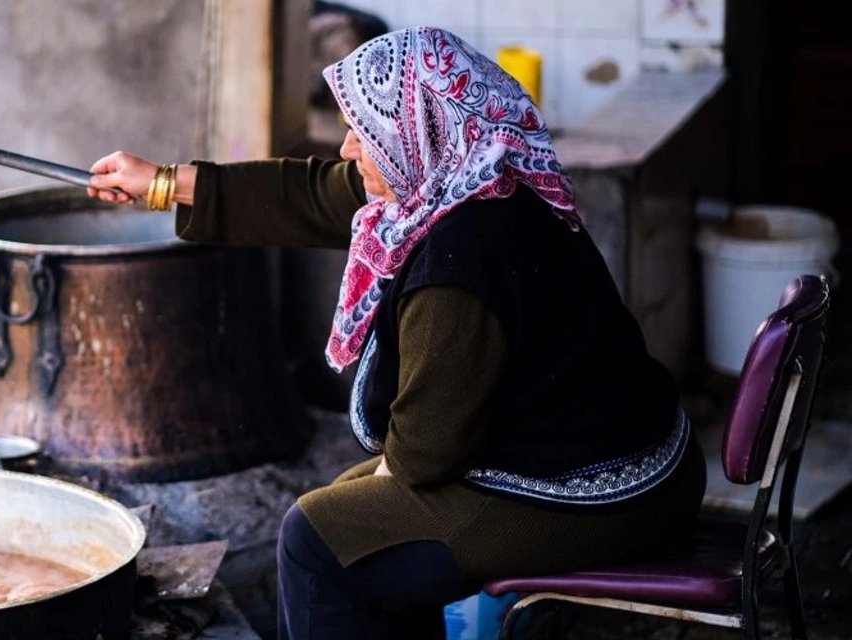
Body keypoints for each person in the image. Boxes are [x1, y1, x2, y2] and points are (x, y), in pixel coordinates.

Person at [87, 26, 706, 640]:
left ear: (419, 134)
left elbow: (425, 452)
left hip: (602, 493)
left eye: (365, 130)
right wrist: (162, 182)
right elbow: (316, 192)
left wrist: (381, 483)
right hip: (625, 445)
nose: (351, 148)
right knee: (347, 518)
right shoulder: (482, 175)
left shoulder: (458, 269)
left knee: (319, 542)